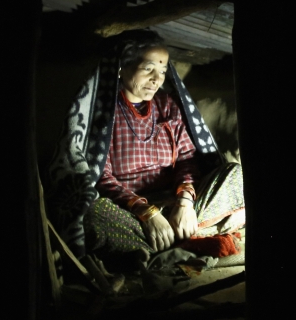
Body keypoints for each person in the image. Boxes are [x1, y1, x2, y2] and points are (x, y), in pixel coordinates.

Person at [83, 33, 245, 267]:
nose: (156, 79)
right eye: (148, 69)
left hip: (177, 203)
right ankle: (190, 235)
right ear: (123, 67)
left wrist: (185, 202)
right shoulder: (103, 110)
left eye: (162, 71)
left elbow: (187, 160)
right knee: (91, 213)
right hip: (130, 211)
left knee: (235, 175)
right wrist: (146, 213)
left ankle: (164, 239)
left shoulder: (166, 105)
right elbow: (102, 177)